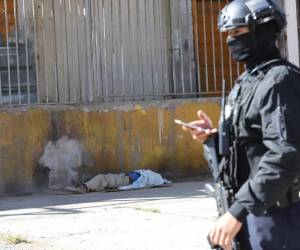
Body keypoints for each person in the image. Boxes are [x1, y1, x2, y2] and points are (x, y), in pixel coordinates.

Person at [182, 0, 300, 249]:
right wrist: (212, 139)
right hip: (247, 211)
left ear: (264, 31)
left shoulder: (279, 82)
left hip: (275, 219)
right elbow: (245, 148)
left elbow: (284, 155)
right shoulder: (247, 82)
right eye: (228, 34)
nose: (230, 40)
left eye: (238, 32)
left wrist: (237, 212)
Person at [65, 169, 171, 193]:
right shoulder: (154, 175)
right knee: (105, 177)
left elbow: (144, 181)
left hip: (126, 180)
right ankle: (84, 184)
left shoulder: (157, 178)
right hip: (124, 177)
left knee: (102, 177)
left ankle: (84, 188)